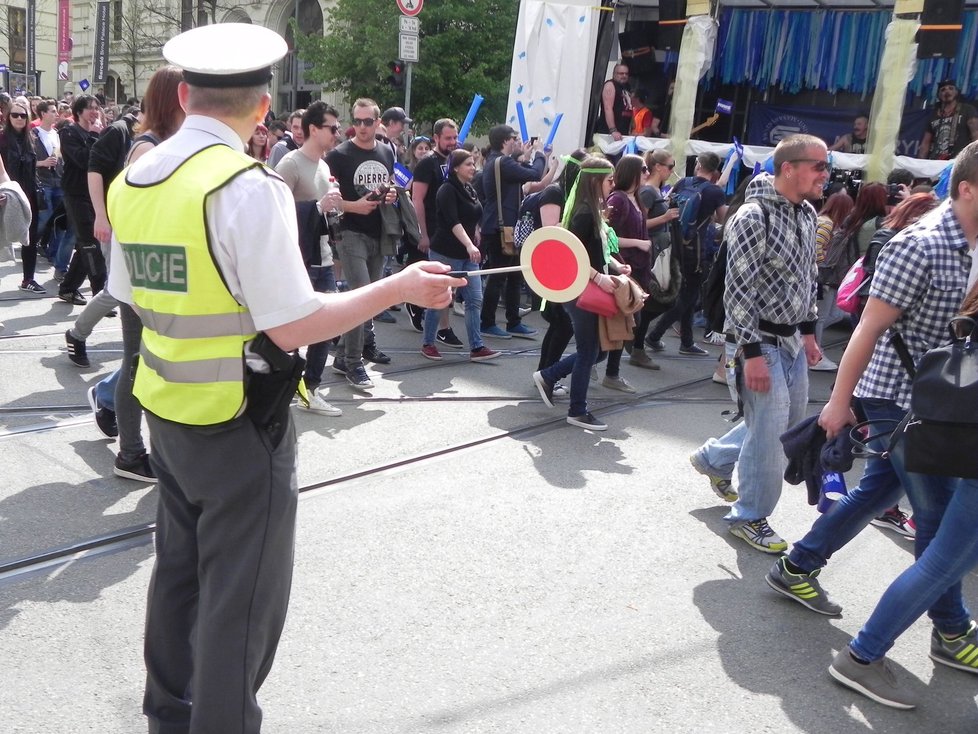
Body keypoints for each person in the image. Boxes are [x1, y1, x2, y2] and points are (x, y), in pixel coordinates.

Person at [106, 23, 461, 732]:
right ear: (263, 109)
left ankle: (168, 715)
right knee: (240, 607)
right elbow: (296, 323)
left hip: (166, 412)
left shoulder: (134, 179)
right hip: (240, 423)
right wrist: (396, 288)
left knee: (178, 578)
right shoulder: (243, 186)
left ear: (183, 94)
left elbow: (130, 296)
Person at [808, 143, 978, 710]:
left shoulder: (972, 246)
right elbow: (866, 331)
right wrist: (839, 402)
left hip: (949, 409)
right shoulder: (921, 244)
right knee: (940, 530)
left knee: (904, 505)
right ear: (968, 187)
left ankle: (800, 565)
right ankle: (901, 645)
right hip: (903, 404)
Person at [693, 134, 825, 553]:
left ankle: (714, 458)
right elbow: (739, 292)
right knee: (769, 433)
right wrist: (748, 354)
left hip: (790, 342)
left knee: (784, 425)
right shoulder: (752, 216)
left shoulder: (806, 211)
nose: (827, 175)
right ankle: (750, 515)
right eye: (819, 167)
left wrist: (807, 332)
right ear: (790, 169)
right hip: (759, 342)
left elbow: (807, 279)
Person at [532, 156, 633, 431]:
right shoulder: (585, 212)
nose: (613, 185)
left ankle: (549, 375)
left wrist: (613, 265)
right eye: (610, 180)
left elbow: (593, 250)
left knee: (597, 350)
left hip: (584, 288)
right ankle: (577, 410)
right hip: (579, 290)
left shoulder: (591, 209)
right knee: (591, 349)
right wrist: (599, 276)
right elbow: (570, 255)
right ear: (595, 180)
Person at [274, 101, 344, 416]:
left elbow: (324, 209)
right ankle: (280, 385)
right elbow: (274, 210)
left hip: (323, 255)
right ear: (313, 129)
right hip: (296, 259)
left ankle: (310, 387)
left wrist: (333, 208)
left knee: (328, 325)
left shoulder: (324, 165)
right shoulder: (290, 164)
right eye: (332, 128)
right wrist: (317, 208)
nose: (337, 133)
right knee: (290, 329)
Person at [325, 97, 398, 390]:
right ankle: (354, 361)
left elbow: (391, 184)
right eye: (357, 121)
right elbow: (327, 199)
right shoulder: (339, 154)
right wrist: (353, 206)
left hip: (379, 233)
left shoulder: (386, 151)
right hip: (349, 232)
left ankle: (344, 354)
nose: (362, 127)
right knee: (362, 297)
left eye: (368, 121)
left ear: (378, 123)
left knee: (371, 298)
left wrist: (391, 195)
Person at [644, 152, 727, 358]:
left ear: (698, 165)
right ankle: (655, 334)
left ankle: (687, 342)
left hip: (676, 242)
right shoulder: (715, 192)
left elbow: (669, 204)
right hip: (698, 249)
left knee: (688, 292)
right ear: (715, 171)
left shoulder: (683, 183)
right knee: (688, 295)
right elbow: (723, 218)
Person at [420, 148, 499, 362]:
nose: (473, 167)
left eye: (474, 164)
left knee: (474, 299)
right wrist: (469, 245)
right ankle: (428, 343)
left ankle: (477, 346)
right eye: (468, 164)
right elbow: (453, 221)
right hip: (446, 252)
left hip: (466, 254)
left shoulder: (469, 189)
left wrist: (476, 231)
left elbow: (472, 215)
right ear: (456, 168)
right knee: (440, 299)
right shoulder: (446, 190)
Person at [479, 124, 552, 340]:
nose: (518, 142)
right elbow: (535, 174)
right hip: (501, 226)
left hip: (500, 225)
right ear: (505, 141)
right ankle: (488, 322)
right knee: (499, 276)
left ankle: (513, 321)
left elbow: (522, 172)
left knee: (512, 275)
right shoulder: (503, 162)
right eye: (515, 138)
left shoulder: (497, 161)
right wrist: (540, 154)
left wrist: (526, 156)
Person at [602, 153, 651, 392]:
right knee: (627, 321)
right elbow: (606, 237)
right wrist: (638, 243)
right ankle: (604, 367)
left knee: (629, 321)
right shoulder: (618, 199)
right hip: (623, 268)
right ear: (632, 171)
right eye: (643, 169)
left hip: (637, 270)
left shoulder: (635, 198)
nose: (647, 173)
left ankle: (608, 369)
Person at [409, 119, 459, 338]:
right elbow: (417, 199)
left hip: (452, 232)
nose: (452, 142)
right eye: (448, 138)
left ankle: (437, 322)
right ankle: (440, 327)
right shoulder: (427, 163)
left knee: (447, 282)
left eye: (455, 138)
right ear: (436, 139)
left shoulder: (456, 160)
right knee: (440, 282)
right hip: (433, 232)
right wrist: (423, 233)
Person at [57, 94, 103, 306]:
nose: (94, 111)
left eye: (96, 107)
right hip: (75, 193)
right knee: (91, 244)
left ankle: (68, 288)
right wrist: (94, 136)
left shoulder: (99, 132)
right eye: (89, 108)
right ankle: (100, 296)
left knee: (86, 243)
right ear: (78, 112)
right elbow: (83, 160)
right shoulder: (69, 132)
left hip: (94, 193)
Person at [0, 99, 43, 292]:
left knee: (30, 238)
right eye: (15, 115)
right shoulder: (1, 138)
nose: (19, 118)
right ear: (8, 117)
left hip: (28, 193)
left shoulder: (31, 138)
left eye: (23, 115)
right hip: (6, 195)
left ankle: (28, 279)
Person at [811, 189, 854, 371]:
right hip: (824, 277)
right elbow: (816, 246)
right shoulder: (828, 224)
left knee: (829, 315)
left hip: (821, 276)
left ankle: (811, 345)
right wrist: (825, 262)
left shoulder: (823, 220)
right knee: (823, 317)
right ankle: (815, 352)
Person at [919, 79, 978, 161]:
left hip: (959, 161)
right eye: (943, 90)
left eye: (951, 88)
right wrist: (921, 162)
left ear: (956, 92)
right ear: (939, 95)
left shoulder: (967, 110)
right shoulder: (933, 115)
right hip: (936, 161)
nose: (947, 91)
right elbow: (925, 143)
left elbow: (976, 135)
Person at [595, 63, 633, 142]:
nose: (624, 76)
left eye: (626, 73)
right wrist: (613, 130)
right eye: (621, 73)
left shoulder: (627, 87)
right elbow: (608, 108)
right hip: (609, 134)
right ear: (614, 74)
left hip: (623, 132)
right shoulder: (610, 85)